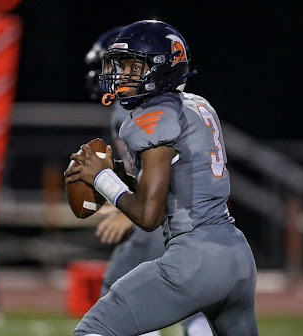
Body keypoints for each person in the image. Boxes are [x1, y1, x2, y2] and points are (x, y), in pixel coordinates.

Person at [65, 20, 259, 335]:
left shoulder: (150, 118)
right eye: (121, 66)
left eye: (133, 67)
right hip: (237, 256)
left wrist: (102, 179)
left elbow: (148, 215)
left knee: (93, 329)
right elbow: (173, 180)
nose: (122, 77)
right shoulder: (199, 106)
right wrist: (119, 174)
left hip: (194, 259)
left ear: (161, 69)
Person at [84, 27, 214, 336]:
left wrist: (123, 205)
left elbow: (156, 184)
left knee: (117, 293)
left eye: (126, 67)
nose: (118, 76)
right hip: (206, 223)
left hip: (169, 219)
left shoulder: (139, 113)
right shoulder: (191, 105)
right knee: (191, 304)